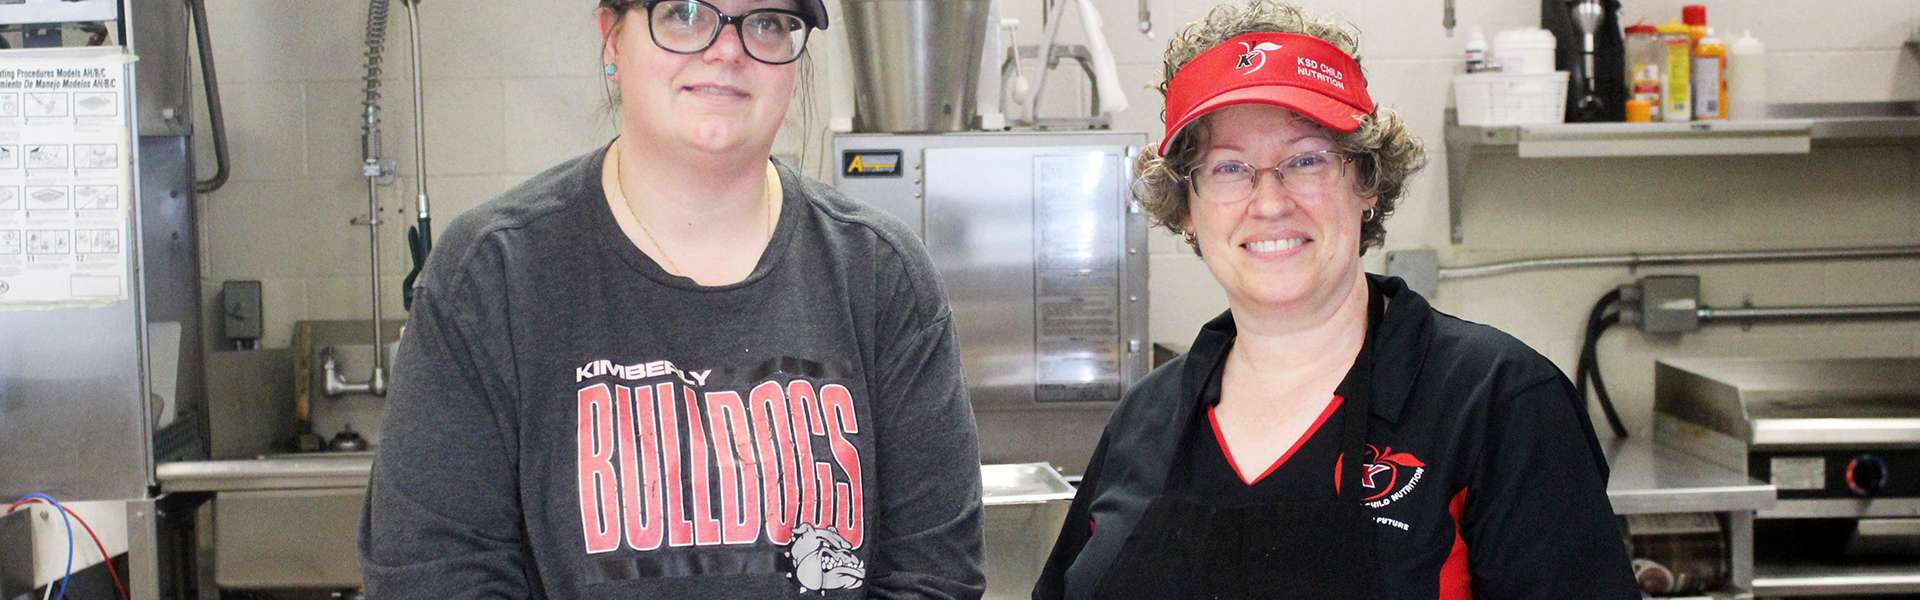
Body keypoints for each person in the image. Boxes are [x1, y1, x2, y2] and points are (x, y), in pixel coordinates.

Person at [358, 0, 985, 597]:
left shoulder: (881, 275)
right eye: (683, 14)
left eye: (765, 22)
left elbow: (934, 574)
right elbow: (433, 573)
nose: (728, 49)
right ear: (612, 36)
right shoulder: (492, 275)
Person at [1033, 2, 1637, 598]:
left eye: (1306, 161)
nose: (1269, 202)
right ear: (1187, 210)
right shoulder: (1147, 420)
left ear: (1367, 183)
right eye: (1228, 168)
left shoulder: (1496, 402)